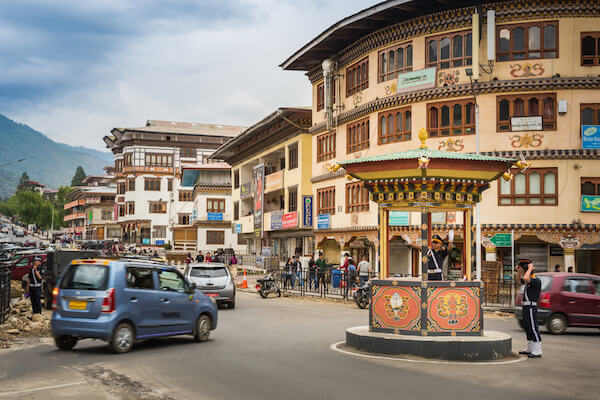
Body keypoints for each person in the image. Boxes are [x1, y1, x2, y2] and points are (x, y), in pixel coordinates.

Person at [517, 258, 542, 358]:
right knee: (527, 327)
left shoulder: (536, 280)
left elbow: (526, 278)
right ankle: (530, 348)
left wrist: (530, 268)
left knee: (533, 327)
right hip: (526, 306)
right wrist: (518, 271)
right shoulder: (529, 281)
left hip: (531, 306)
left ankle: (538, 350)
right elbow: (520, 280)